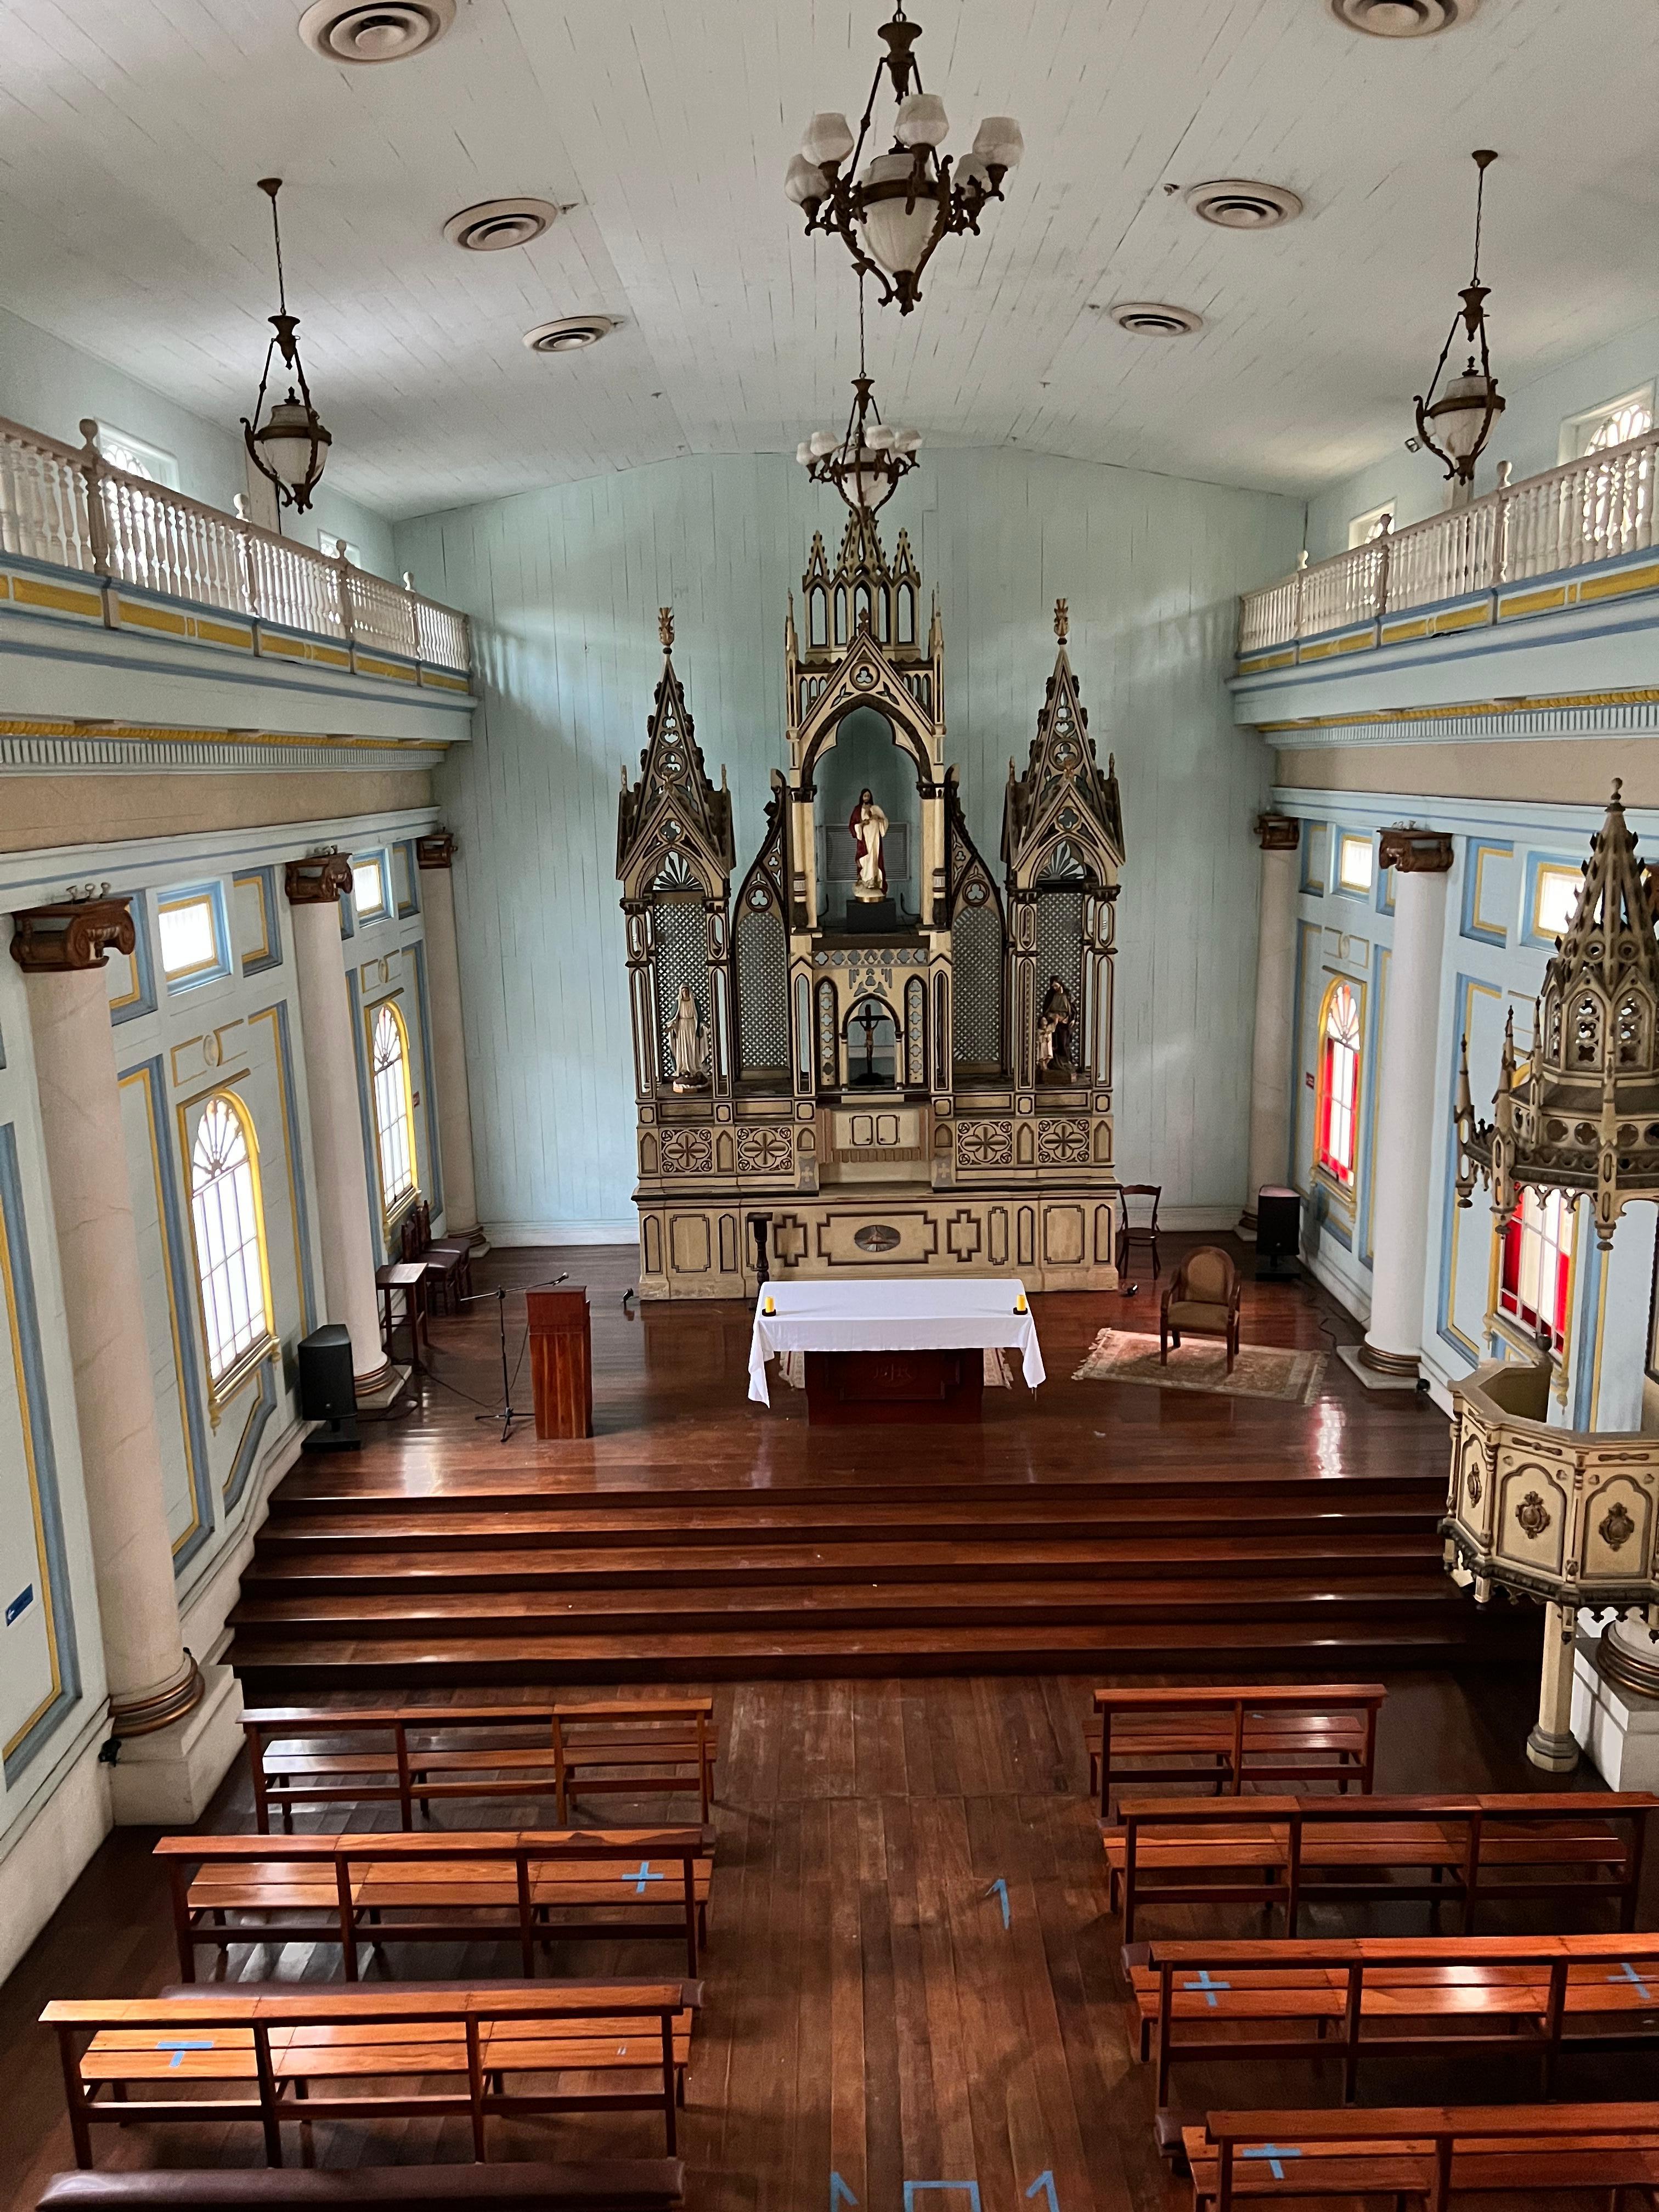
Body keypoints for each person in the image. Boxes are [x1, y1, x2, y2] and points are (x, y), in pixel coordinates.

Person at [849, 787, 888, 901]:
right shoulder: (857, 810)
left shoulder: (876, 808)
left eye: (868, 796)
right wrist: (861, 824)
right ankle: (866, 881)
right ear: (862, 797)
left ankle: (874, 882)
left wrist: (879, 819)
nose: (867, 798)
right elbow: (852, 825)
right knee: (865, 859)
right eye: (865, 796)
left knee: (874, 859)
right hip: (864, 840)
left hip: (875, 839)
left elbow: (885, 821)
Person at [1036, 973, 1075, 1080]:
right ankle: (1052, 1064)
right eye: (1053, 986)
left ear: (1061, 984)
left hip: (1064, 1023)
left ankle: (1065, 1062)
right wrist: (1053, 1017)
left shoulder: (1067, 994)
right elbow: (1046, 1009)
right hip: (1053, 1022)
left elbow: (1073, 1010)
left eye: (1056, 986)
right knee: (1052, 1043)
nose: (1054, 988)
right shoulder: (1051, 995)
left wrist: (1071, 1019)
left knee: (1063, 1042)